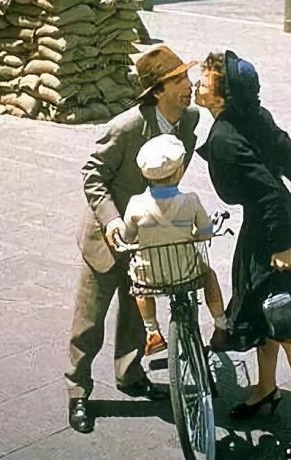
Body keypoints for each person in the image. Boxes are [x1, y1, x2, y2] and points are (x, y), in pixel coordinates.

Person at [194, 50, 291, 459]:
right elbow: (288, 157)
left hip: (276, 229)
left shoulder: (226, 138)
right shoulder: (249, 115)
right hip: (266, 224)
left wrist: (281, 245)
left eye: (206, 80)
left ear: (223, 96)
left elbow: (268, 193)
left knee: (287, 322)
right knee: (260, 308)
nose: (198, 83)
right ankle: (266, 388)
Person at [66, 46, 200, 434]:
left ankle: (130, 374)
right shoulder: (126, 127)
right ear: (157, 90)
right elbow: (93, 175)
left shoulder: (189, 120)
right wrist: (111, 220)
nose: (188, 86)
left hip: (150, 235)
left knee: (137, 312)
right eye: (179, 80)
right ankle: (78, 390)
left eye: (187, 77)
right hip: (107, 238)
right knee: (89, 320)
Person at [123, 134, 229, 355]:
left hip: (150, 274)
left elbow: (129, 236)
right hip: (186, 271)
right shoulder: (190, 200)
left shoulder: (135, 204)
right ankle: (221, 325)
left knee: (138, 285)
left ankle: (152, 331)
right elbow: (205, 231)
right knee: (209, 275)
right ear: (179, 171)